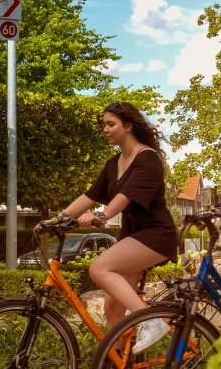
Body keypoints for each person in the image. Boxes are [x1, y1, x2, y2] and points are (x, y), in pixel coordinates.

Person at [41, 101, 177, 353]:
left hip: (155, 234)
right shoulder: (114, 163)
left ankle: (151, 321)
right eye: (104, 124)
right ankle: (117, 360)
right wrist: (57, 219)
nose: (105, 129)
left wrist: (102, 215)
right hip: (132, 234)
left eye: (110, 124)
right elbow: (89, 196)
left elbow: (125, 196)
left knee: (99, 268)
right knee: (113, 308)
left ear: (128, 126)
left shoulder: (148, 158)